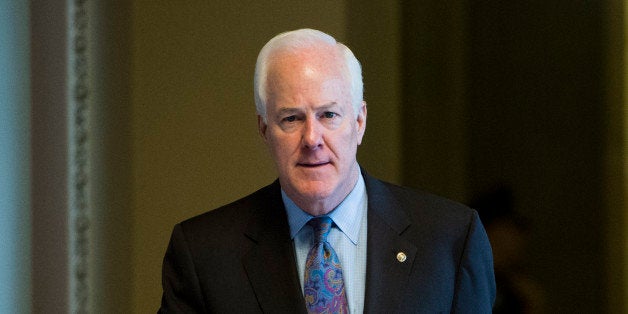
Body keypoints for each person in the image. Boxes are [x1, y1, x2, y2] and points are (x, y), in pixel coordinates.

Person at [159, 28, 495, 313]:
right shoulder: (204, 255)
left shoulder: (450, 240)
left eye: (329, 115)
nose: (311, 139)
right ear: (264, 130)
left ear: (360, 121)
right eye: (291, 118)